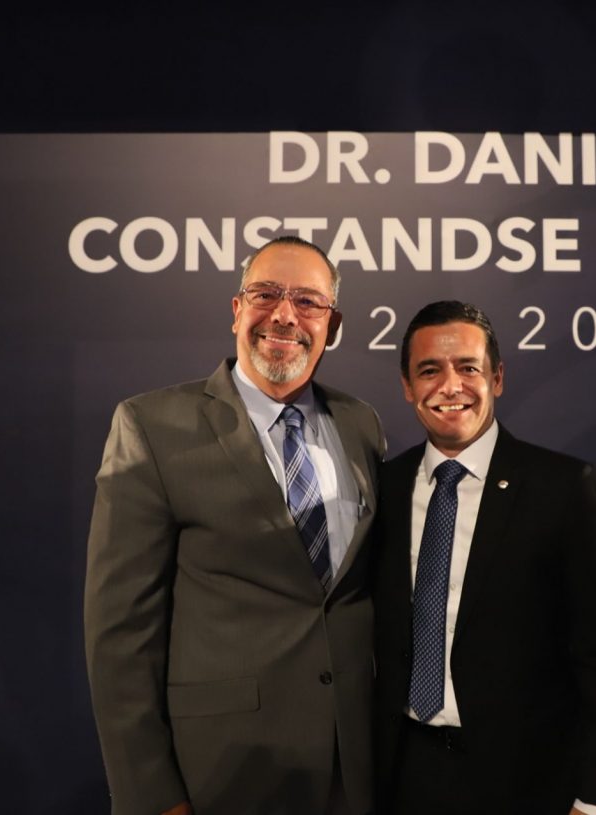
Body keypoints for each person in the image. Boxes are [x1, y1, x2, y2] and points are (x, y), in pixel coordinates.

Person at [84, 236, 385, 815]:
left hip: (352, 771)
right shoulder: (151, 425)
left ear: (333, 323)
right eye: (265, 294)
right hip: (220, 773)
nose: (284, 315)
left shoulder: (361, 425)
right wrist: (151, 796)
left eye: (307, 301)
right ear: (236, 309)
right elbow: (120, 634)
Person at [373, 301, 596, 815]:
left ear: (497, 378)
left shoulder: (562, 489)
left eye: (468, 368)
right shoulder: (384, 487)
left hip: (527, 786)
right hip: (403, 780)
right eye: (429, 371)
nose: (450, 386)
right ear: (407, 386)